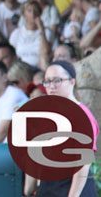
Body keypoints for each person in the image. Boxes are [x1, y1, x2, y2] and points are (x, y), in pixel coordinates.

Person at [23, 61, 99, 197]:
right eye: (47, 81)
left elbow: (82, 165)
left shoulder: (81, 115)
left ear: (72, 82)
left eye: (57, 80)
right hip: (49, 187)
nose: (51, 86)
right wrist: (29, 188)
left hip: (73, 189)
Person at [9, 0, 51, 70]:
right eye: (29, 11)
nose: (33, 14)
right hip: (21, 68)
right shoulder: (17, 33)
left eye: (35, 11)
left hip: (39, 67)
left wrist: (41, 29)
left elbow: (45, 52)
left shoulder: (47, 32)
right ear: (24, 15)